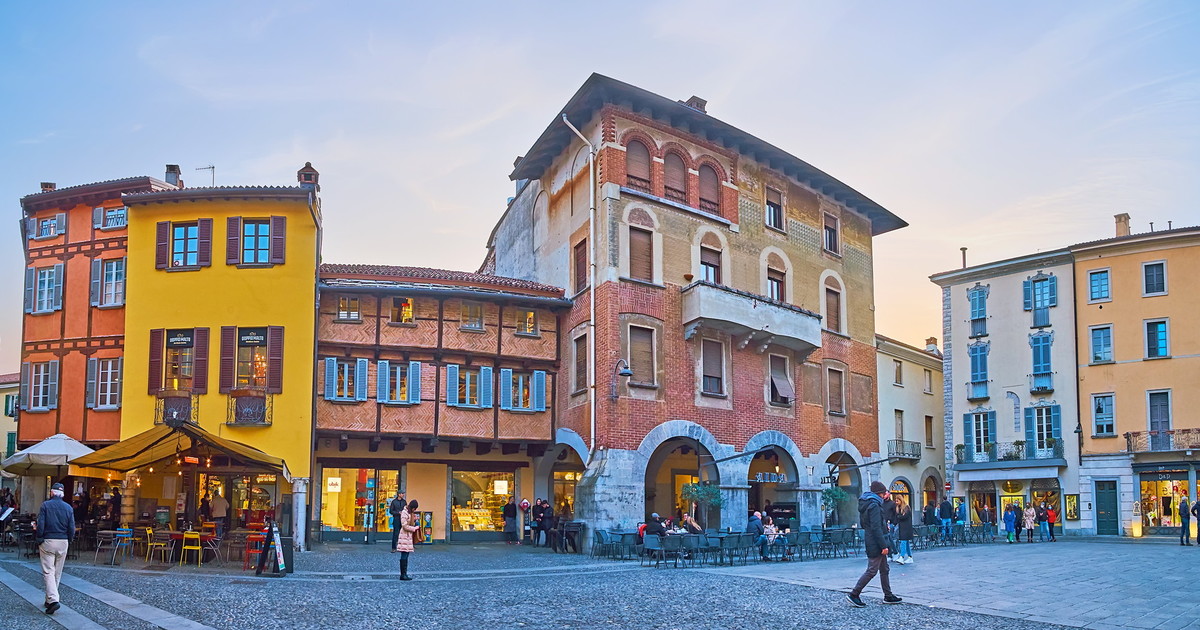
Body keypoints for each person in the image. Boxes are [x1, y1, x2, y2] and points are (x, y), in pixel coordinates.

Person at [847, 481, 902, 608]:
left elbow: (865, 524)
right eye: (884, 493)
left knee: (884, 569)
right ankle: (854, 594)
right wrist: (883, 545)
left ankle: (888, 595)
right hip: (876, 541)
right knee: (872, 570)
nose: (885, 496)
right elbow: (876, 527)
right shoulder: (875, 506)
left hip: (872, 538)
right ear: (880, 494)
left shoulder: (866, 504)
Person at [36, 482, 74, 615]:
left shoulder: (46, 505)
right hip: (63, 541)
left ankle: (53, 600)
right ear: (62, 494)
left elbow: (41, 524)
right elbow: (71, 527)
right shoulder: (68, 508)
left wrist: (39, 538)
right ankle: (49, 599)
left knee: (48, 572)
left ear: (52, 492)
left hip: (49, 540)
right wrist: (69, 539)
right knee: (57, 572)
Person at [395, 499, 420, 580]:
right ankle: (403, 574)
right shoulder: (404, 512)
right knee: (404, 555)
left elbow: (409, 522)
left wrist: (414, 520)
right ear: (412, 507)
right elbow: (404, 526)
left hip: (408, 537)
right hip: (404, 536)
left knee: (406, 554)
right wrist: (414, 528)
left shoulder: (410, 513)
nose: (415, 510)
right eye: (414, 508)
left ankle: (404, 573)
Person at [893, 495, 914, 565]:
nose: (896, 502)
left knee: (903, 542)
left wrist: (899, 516)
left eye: (897, 501)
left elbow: (904, 516)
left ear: (901, 500)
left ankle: (902, 556)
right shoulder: (898, 508)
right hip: (902, 527)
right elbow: (899, 517)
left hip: (906, 528)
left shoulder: (906, 508)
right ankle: (910, 556)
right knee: (906, 542)